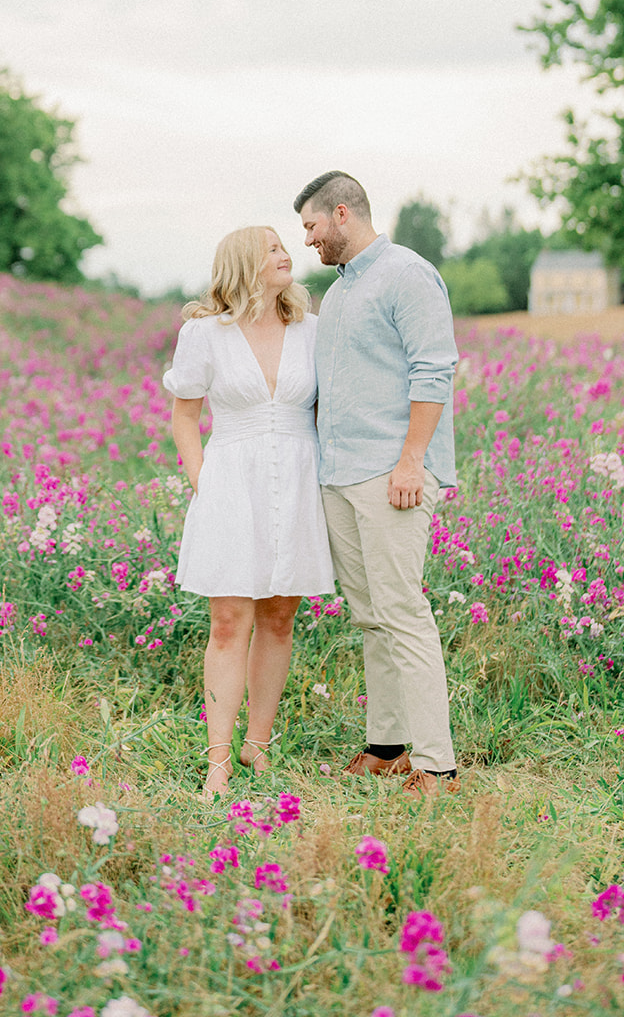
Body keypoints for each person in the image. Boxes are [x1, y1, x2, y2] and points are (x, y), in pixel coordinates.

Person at [295, 170, 460, 797]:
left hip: (391, 474)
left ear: (342, 213)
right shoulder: (336, 294)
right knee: (369, 616)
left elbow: (433, 368)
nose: (307, 240)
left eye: (310, 226)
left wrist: (412, 460)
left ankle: (437, 765)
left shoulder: (407, 275)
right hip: (338, 474)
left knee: (402, 612)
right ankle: (387, 747)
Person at [164, 226, 333, 797]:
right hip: (230, 479)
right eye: (272, 249)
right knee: (228, 621)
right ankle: (218, 759)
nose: (287, 255)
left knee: (279, 617)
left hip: (297, 473)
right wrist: (201, 482)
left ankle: (257, 746)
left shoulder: (313, 330)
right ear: (243, 263)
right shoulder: (204, 334)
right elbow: (185, 416)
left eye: (287, 246)